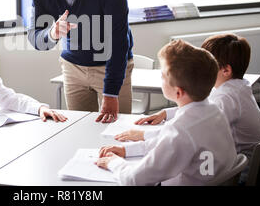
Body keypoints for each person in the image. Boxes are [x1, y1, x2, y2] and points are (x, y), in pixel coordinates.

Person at [27, 0, 134, 123]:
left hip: (111, 66)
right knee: (79, 130)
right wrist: (52, 33)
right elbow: (35, 38)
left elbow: (119, 40)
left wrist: (111, 93)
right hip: (73, 68)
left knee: (117, 132)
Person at [96, 40, 237, 185]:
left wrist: (114, 163)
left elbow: (135, 179)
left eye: (163, 75)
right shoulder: (214, 111)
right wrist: (126, 150)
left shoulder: (180, 130)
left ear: (178, 92)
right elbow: (163, 143)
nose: (160, 77)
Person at [117, 34, 260, 163]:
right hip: (236, 162)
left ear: (226, 70)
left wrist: (143, 135)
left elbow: (191, 128)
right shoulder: (236, 87)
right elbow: (202, 108)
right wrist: (166, 113)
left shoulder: (227, 98)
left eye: (210, 64)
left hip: (237, 173)